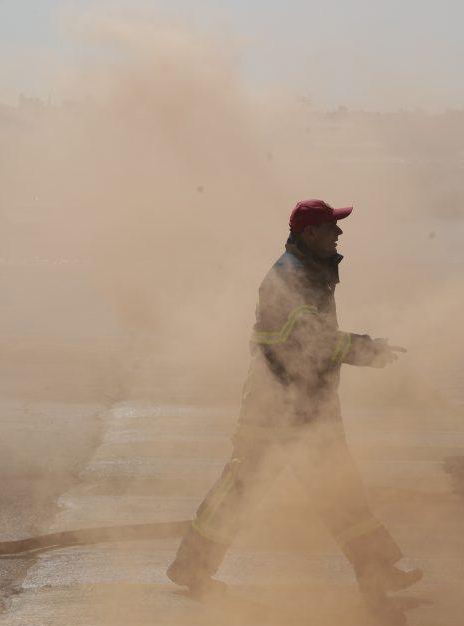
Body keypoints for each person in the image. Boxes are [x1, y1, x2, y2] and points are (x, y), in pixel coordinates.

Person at [167, 199, 422, 599]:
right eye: (331, 227)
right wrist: (368, 350)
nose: (339, 234)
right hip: (275, 409)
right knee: (242, 490)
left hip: (304, 405)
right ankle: (191, 567)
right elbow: (312, 343)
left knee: (338, 489)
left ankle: (378, 571)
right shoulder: (290, 279)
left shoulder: (310, 272)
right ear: (310, 233)